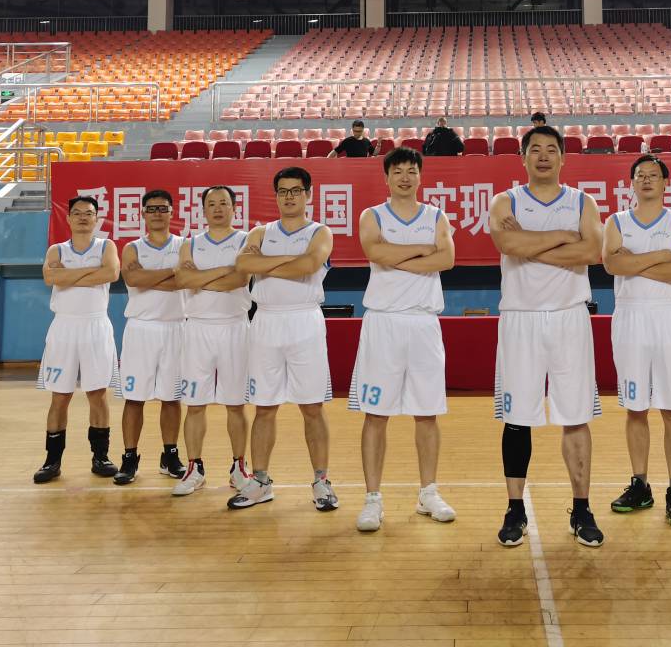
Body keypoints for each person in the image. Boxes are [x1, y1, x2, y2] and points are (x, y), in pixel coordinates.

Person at [490, 125, 605, 548]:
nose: (543, 156)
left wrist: (530, 241)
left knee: (575, 414)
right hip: (520, 317)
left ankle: (582, 508)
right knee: (517, 417)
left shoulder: (582, 201)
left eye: (551, 149)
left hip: (568, 316)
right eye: (534, 149)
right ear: (522, 158)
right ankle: (514, 509)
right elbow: (508, 244)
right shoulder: (505, 200)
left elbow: (591, 251)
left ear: (563, 158)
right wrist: (562, 237)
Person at [351, 146, 458, 532]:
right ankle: (372, 499)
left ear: (420, 176)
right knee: (376, 414)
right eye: (398, 171)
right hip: (384, 323)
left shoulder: (436, 215)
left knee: (427, 413)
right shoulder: (372, 215)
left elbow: (446, 259)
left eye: (412, 170)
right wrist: (421, 250)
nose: (405, 177)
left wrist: (396, 256)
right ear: (386, 177)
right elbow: (374, 251)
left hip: (423, 323)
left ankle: (428, 492)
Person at [229, 167, 339, 512]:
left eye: (296, 190)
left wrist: (264, 263)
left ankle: (321, 481)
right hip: (266, 321)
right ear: (275, 195)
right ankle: (261, 481)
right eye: (283, 191)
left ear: (309, 194)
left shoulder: (320, 231)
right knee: (264, 406)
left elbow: (310, 265)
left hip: (304, 322)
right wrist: (289, 261)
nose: (289, 197)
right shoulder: (260, 232)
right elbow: (242, 264)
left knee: (312, 406)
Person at [602, 155, 671, 527]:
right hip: (630, 318)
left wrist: (636, 261)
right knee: (635, 408)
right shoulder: (616, 222)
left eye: (653, 175)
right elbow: (613, 265)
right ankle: (640, 484)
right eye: (640, 175)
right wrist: (661, 256)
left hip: (669, 318)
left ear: (665, 183)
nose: (646, 180)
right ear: (631, 183)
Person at [34, 196, 121, 484]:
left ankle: (101, 456)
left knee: (97, 393)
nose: (83, 217)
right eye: (77, 213)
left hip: (96, 326)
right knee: (60, 396)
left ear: (97, 218)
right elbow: (50, 278)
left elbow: (111, 273)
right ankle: (52, 461)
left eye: (89, 213)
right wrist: (92, 273)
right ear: (69, 218)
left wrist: (67, 275)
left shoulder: (106, 246)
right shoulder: (56, 249)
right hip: (64, 327)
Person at [172, 186, 252, 497]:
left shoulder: (246, 240)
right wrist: (224, 271)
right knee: (194, 404)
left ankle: (239, 468)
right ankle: (194, 468)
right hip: (197, 329)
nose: (218, 208)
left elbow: (241, 278)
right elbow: (183, 280)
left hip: (234, 328)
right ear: (203, 210)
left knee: (236, 404)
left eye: (224, 203)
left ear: (235, 208)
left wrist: (201, 278)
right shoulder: (190, 243)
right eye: (212, 204)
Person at [114, 189, 187, 486]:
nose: (157, 213)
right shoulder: (132, 248)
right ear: (142, 213)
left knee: (172, 397)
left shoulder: (185, 245)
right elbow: (133, 279)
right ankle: (129, 457)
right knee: (134, 398)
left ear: (172, 212)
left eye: (163, 208)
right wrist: (172, 273)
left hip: (175, 327)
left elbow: (187, 281)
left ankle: (170, 455)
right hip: (140, 329)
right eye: (152, 209)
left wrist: (149, 278)